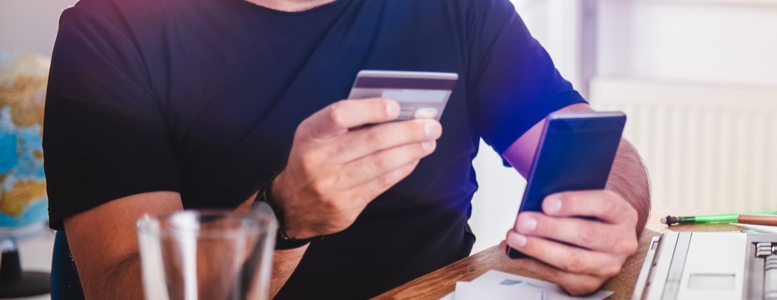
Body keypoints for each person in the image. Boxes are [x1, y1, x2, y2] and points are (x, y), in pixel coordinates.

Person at [42, 0, 651, 298]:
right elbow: (122, 286)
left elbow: (583, 136)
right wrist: (280, 219)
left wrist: (609, 209)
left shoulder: (454, 6)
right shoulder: (110, 31)